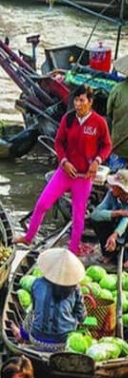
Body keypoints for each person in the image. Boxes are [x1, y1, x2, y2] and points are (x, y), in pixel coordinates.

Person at [19, 86, 111, 256]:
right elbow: (59, 142)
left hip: (84, 177)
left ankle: (73, 249)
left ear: (90, 102)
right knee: (42, 204)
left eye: (82, 100)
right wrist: (64, 161)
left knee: (78, 217)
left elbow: (106, 146)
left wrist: (97, 161)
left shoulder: (99, 123)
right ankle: (29, 236)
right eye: (76, 100)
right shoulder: (68, 119)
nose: (78, 104)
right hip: (65, 172)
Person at [28, 248, 86, 348]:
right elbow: (82, 316)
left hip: (37, 339)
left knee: (30, 313)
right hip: (63, 342)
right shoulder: (75, 288)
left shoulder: (37, 283)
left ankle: (22, 335)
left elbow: (35, 308)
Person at [90, 169, 128, 259]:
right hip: (115, 223)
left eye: (115, 186)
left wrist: (115, 235)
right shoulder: (111, 194)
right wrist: (119, 213)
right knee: (96, 221)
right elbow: (96, 214)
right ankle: (109, 253)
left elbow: (125, 220)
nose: (112, 187)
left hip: (124, 230)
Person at [108, 56, 128, 170]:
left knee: (115, 180)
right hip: (120, 146)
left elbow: (109, 113)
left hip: (118, 145)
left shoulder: (117, 89)